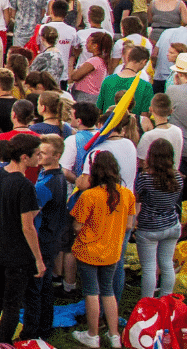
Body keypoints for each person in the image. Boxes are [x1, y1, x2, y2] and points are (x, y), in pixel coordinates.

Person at [0, 135, 46, 344]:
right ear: (25, 157)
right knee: (12, 303)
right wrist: (38, 259)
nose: (40, 158)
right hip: (17, 253)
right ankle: (3, 343)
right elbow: (27, 226)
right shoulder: (24, 186)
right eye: (37, 154)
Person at [70, 145, 133, 349]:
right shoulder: (127, 194)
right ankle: (114, 335)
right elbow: (129, 225)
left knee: (91, 292)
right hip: (113, 251)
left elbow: (77, 226)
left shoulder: (89, 196)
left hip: (88, 251)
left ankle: (92, 334)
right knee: (108, 291)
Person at [134, 137, 183, 301]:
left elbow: (137, 198)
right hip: (172, 224)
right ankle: (166, 303)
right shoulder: (178, 178)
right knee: (167, 264)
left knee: (149, 268)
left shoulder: (145, 178)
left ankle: (147, 304)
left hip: (149, 227)